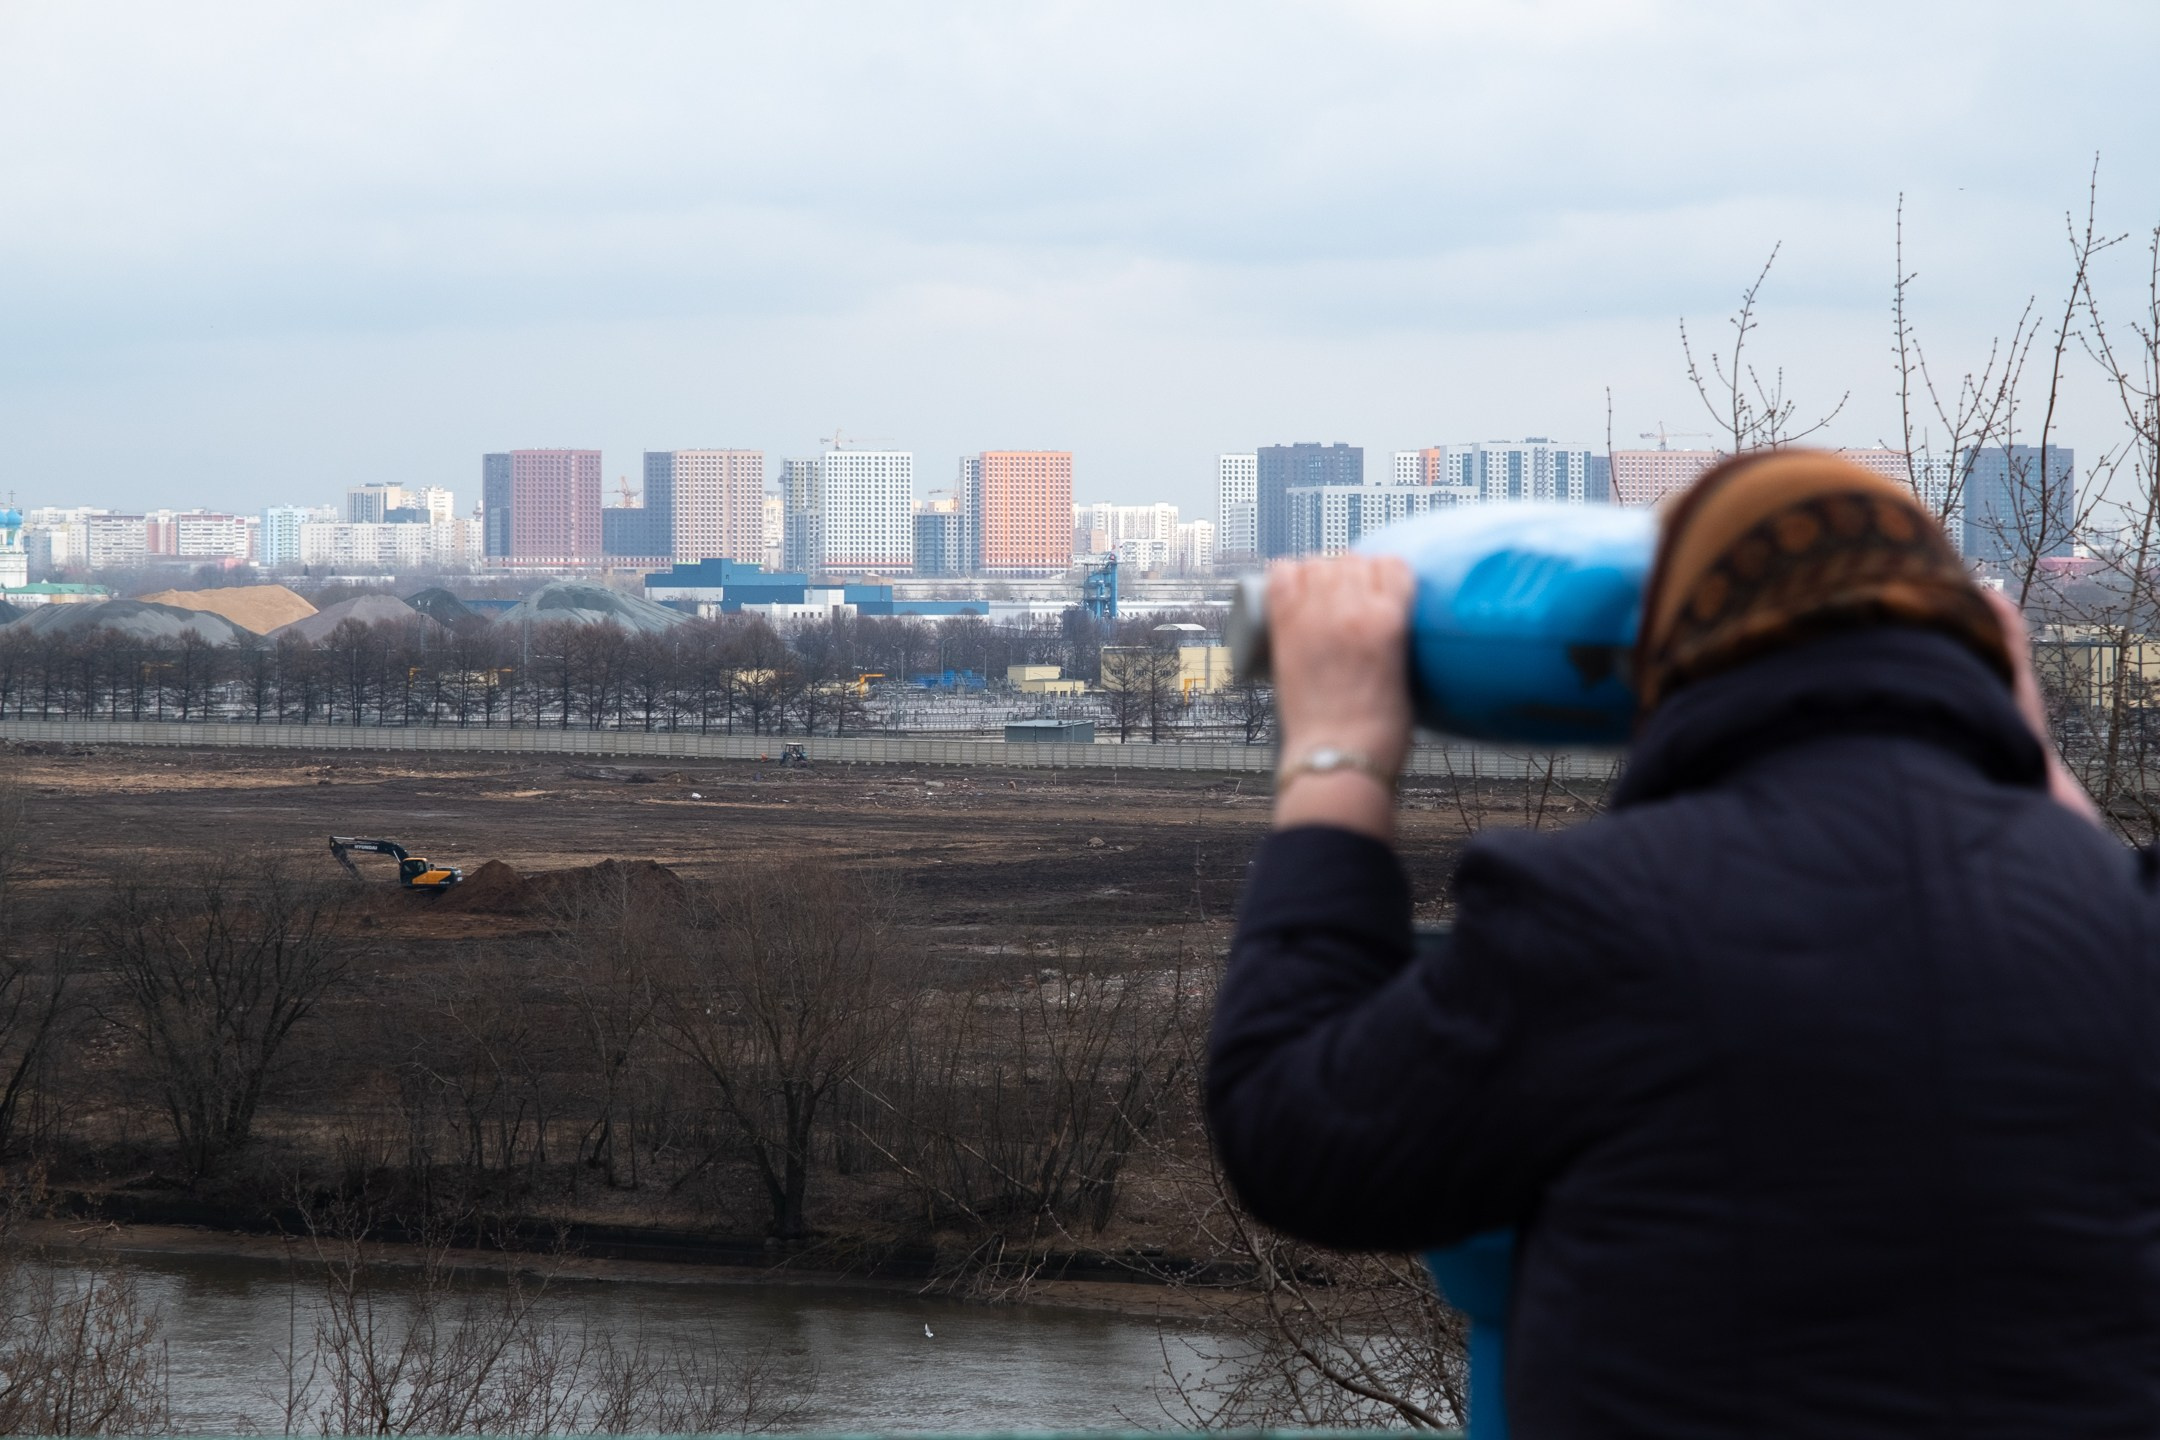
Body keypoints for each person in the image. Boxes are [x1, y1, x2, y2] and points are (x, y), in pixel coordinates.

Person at [1206, 451, 2160, 1438]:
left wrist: (1338, 757)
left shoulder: (1597, 919)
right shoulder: (2131, 927)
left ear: (1678, 660)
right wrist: (2026, 756)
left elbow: (1295, 1130)